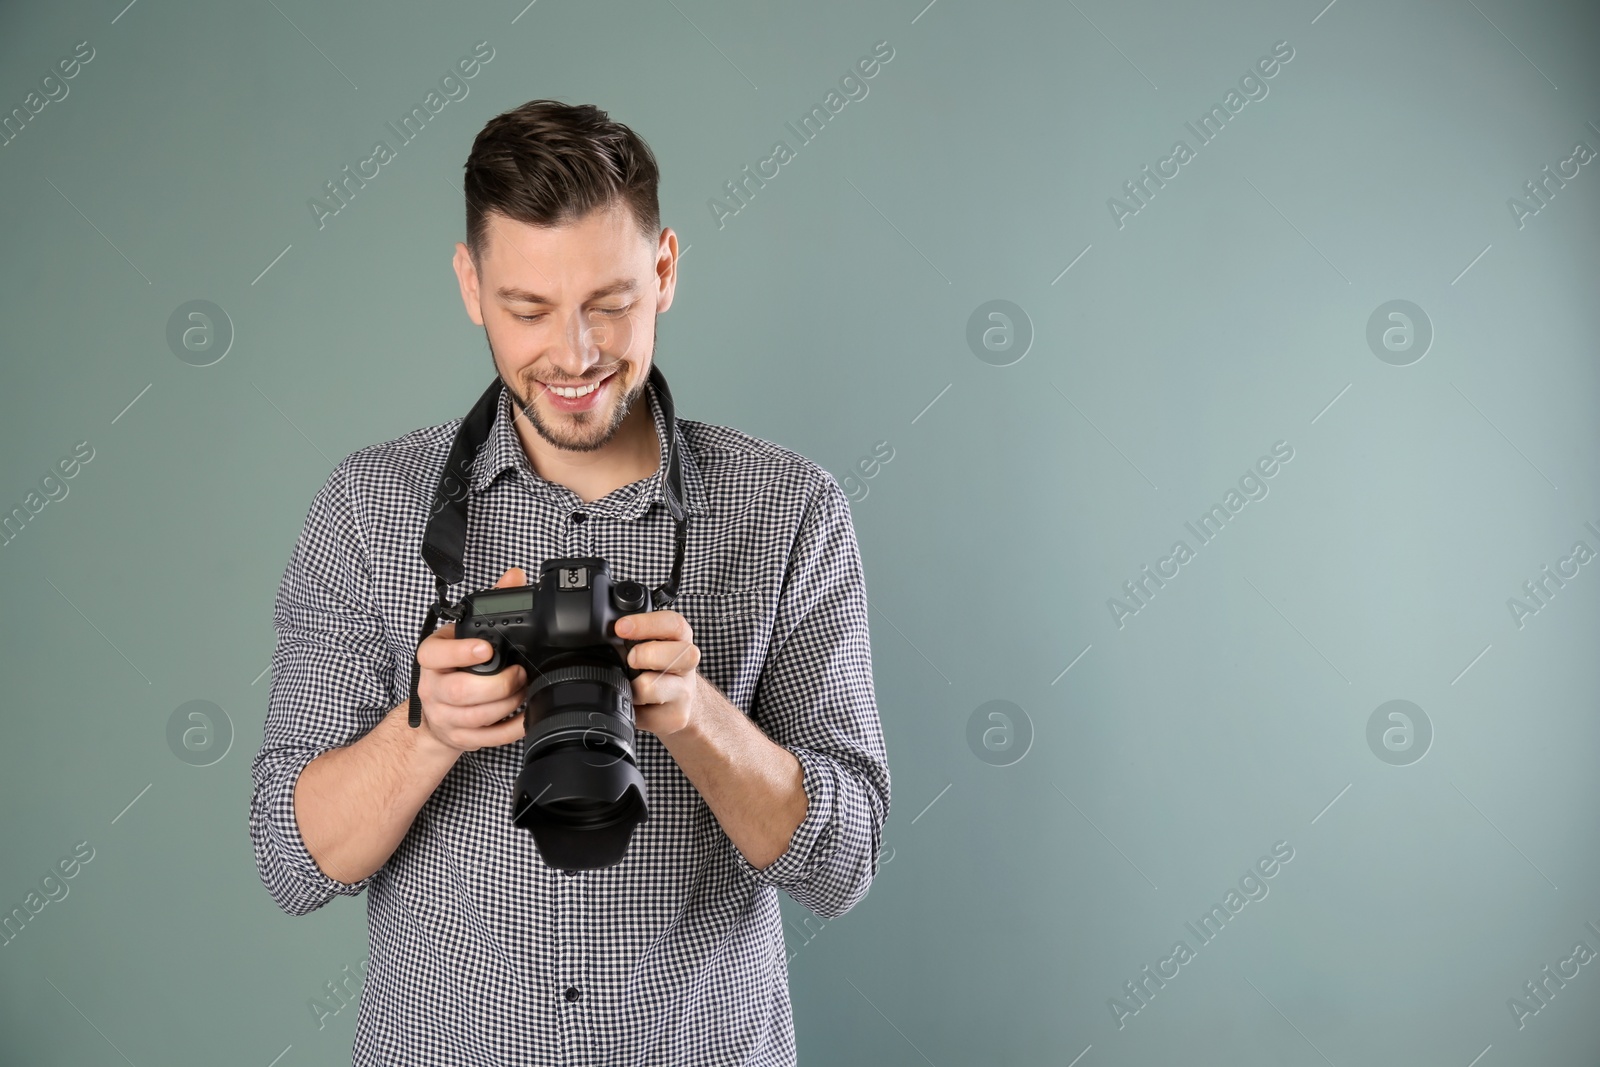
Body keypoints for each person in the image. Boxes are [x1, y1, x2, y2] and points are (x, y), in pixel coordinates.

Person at [247, 98, 891, 1066]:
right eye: (529, 309)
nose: (577, 354)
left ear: (664, 268)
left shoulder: (788, 508)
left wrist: (694, 713)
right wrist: (427, 729)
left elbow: (842, 866)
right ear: (471, 285)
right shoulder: (367, 506)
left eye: (610, 301)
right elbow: (292, 859)